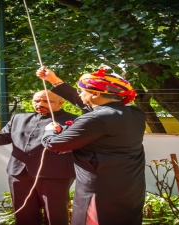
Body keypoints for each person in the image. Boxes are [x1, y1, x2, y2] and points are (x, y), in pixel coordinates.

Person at [36, 66, 146, 225]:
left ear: (95, 94)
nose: (79, 94)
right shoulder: (136, 114)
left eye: (82, 91)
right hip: (130, 188)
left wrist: (49, 131)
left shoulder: (95, 119)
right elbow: (91, 107)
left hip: (99, 192)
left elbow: (55, 145)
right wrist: (55, 81)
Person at [0, 90, 77, 225]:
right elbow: (4, 137)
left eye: (47, 101)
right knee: (23, 213)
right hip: (19, 173)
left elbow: (71, 145)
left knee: (55, 213)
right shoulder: (19, 118)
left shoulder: (72, 120)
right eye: (37, 101)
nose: (40, 104)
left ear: (60, 103)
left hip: (54, 174)